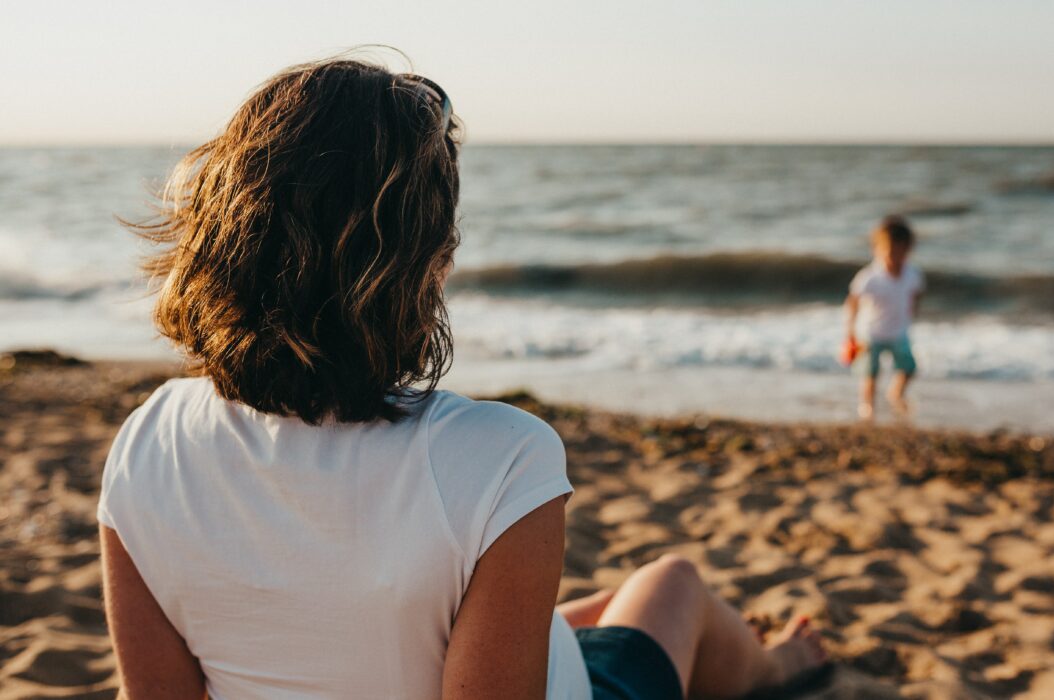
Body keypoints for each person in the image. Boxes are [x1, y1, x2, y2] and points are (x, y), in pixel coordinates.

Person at [98, 55, 827, 699]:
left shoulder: (146, 443)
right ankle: (781, 668)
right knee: (674, 585)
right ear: (429, 265)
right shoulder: (502, 458)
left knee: (590, 610)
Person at [844, 216, 924, 420]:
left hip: (898, 331)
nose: (894, 257)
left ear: (908, 250)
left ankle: (895, 393)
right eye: (889, 252)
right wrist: (850, 332)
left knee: (909, 368)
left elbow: (915, 294)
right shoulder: (870, 276)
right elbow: (852, 301)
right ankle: (867, 407)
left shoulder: (912, 274)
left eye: (900, 252)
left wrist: (911, 313)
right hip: (871, 332)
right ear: (876, 250)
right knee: (870, 373)